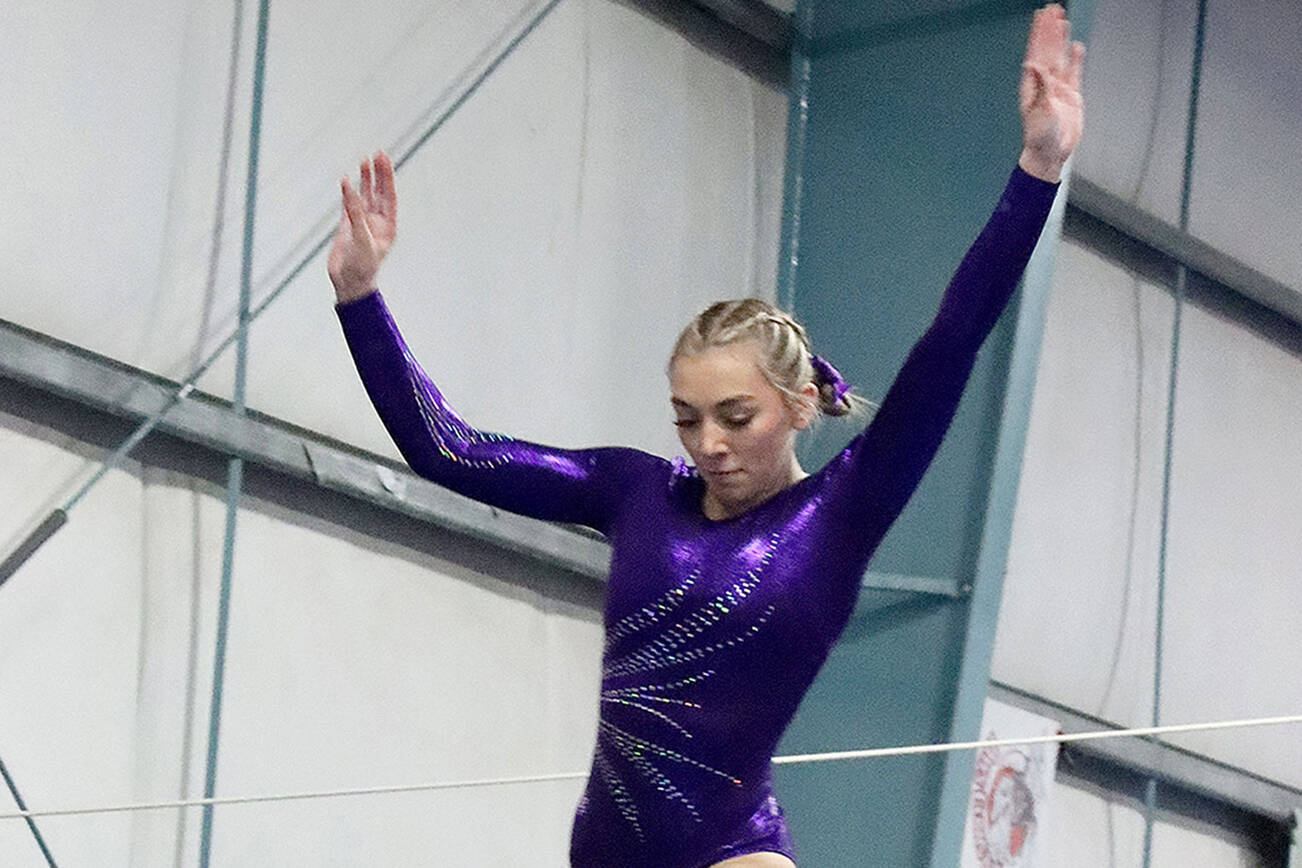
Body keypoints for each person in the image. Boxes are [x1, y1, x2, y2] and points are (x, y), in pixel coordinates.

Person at [328, 5, 1083, 866]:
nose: (708, 444)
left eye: (735, 416)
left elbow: (953, 339)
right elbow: (448, 450)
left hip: (733, 848)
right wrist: (359, 299)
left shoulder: (841, 514)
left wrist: (1038, 169)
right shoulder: (635, 493)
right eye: (687, 419)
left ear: (800, 405)